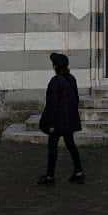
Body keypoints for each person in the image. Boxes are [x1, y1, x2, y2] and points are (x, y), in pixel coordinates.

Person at [37, 52, 85, 185]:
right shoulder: (71, 79)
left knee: (52, 148)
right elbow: (76, 99)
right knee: (71, 145)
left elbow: (52, 104)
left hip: (58, 122)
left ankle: (50, 176)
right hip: (69, 120)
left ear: (55, 66)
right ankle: (78, 172)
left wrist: (50, 123)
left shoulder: (55, 81)